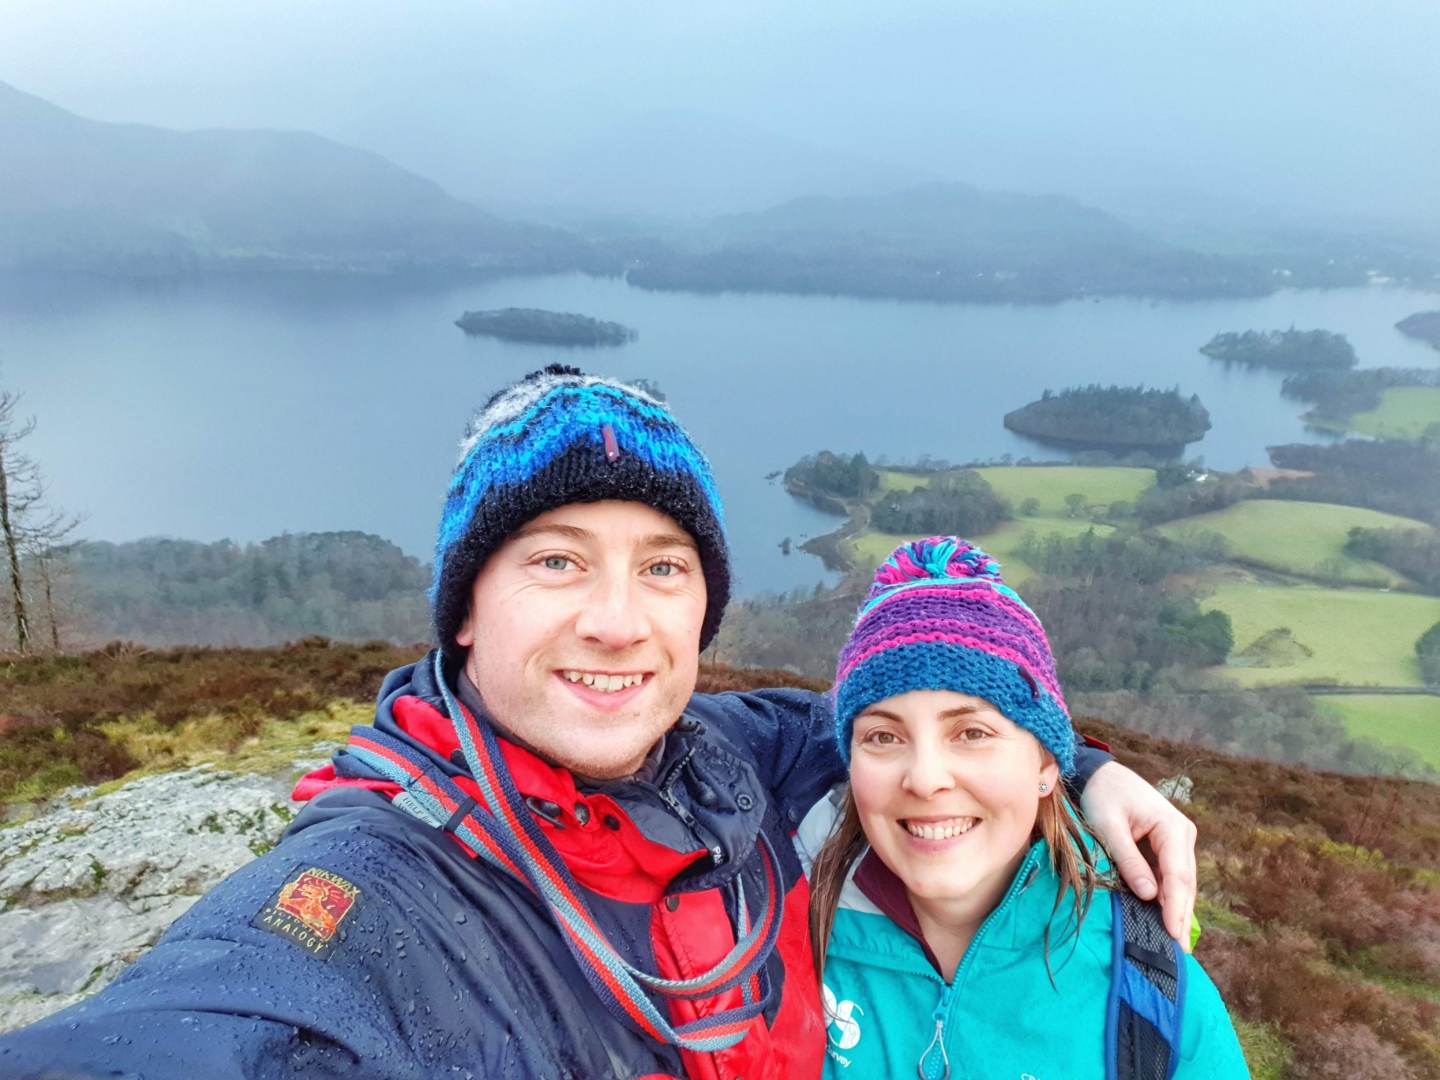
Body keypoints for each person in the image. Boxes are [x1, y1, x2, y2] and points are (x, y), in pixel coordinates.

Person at [0, 367, 1198, 1080]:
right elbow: (215, 1022)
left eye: (664, 569)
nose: (620, 623)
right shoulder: (380, 886)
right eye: (559, 561)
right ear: (465, 609)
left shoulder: (725, 755)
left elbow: (885, 723)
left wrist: (1081, 767)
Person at [803, 537, 1247, 1078]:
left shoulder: (1152, 996)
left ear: (1047, 766)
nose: (923, 779)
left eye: (971, 732)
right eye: (882, 737)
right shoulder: (771, 930)